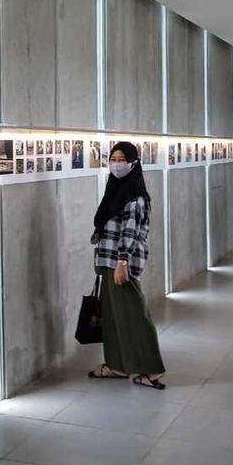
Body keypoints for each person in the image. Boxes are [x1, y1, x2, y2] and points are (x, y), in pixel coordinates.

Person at [87, 142, 166, 390]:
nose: (116, 163)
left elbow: (129, 232)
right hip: (108, 261)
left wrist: (122, 262)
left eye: (122, 159)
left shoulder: (135, 195)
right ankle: (118, 364)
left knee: (134, 315)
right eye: (113, 158)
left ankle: (151, 369)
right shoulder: (116, 189)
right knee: (113, 316)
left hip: (122, 263)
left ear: (133, 162)